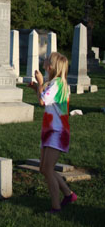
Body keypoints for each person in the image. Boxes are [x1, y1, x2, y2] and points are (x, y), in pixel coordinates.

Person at [28, 52, 77, 213]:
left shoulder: (58, 84)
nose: (45, 61)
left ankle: (56, 207)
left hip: (57, 132)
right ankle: (69, 194)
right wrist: (37, 87)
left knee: (48, 169)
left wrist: (40, 83)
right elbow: (43, 98)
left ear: (52, 66)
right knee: (44, 168)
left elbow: (42, 100)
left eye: (48, 60)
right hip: (50, 130)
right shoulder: (54, 83)